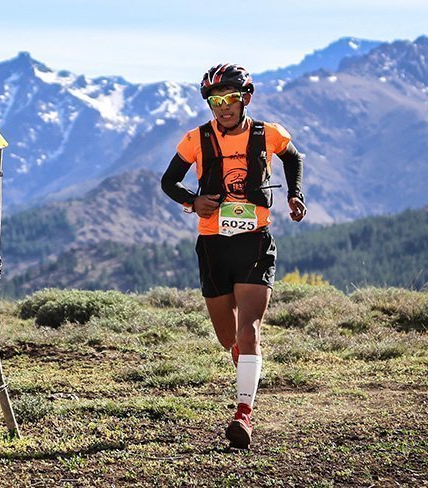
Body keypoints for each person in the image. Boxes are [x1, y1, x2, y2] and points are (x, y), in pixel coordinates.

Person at [160, 63, 307, 449]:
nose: (224, 107)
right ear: (209, 103)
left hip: (255, 241)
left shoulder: (268, 134)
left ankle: (244, 414)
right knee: (228, 337)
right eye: (216, 100)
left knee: (250, 329)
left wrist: (295, 195)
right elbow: (168, 182)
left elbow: (294, 158)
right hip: (213, 247)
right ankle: (244, 364)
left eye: (231, 99)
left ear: (247, 98)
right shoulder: (196, 139)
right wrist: (194, 201)